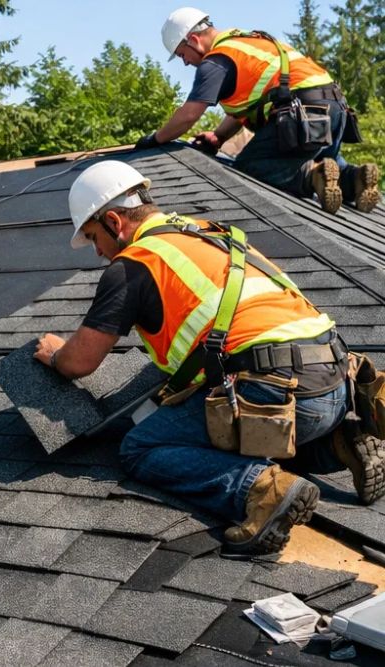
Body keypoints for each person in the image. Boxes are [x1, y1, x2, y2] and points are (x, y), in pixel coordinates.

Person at [34, 160, 385, 555]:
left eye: (94, 236)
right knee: (245, 423)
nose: (97, 251)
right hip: (339, 381)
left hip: (282, 393)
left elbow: (80, 362)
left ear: (114, 221)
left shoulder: (134, 265)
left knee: (141, 448)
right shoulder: (206, 232)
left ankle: (261, 492)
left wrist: (55, 354)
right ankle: (342, 441)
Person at [133, 7, 380, 215]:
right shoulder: (245, 41)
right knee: (327, 164)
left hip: (303, 113)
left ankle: (310, 177)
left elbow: (189, 115)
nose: (186, 62)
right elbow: (248, 105)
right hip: (335, 109)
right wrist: (218, 137)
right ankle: (356, 179)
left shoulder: (217, 61)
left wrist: (155, 139)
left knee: (249, 166)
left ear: (193, 40)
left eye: (182, 54)